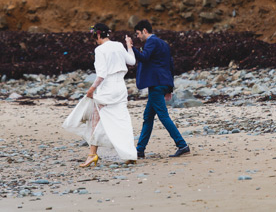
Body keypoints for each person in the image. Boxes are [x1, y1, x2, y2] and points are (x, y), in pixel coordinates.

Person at [62, 23, 137, 167]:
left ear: (97, 34)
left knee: (95, 118)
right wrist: (129, 46)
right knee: (122, 120)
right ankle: (129, 154)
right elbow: (132, 61)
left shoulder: (100, 50)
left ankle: (92, 155)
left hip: (107, 88)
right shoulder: (119, 45)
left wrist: (91, 89)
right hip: (121, 87)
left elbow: (101, 75)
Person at [126, 20, 190, 158]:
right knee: (148, 117)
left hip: (156, 84)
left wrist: (131, 48)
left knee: (163, 115)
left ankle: (182, 145)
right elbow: (170, 65)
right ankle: (140, 150)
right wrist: (169, 88)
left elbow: (144, 57)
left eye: (138, 34)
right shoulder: (164, 44)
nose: (137, 36)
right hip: (163, 83)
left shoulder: (151, 41)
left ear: (144, 30)